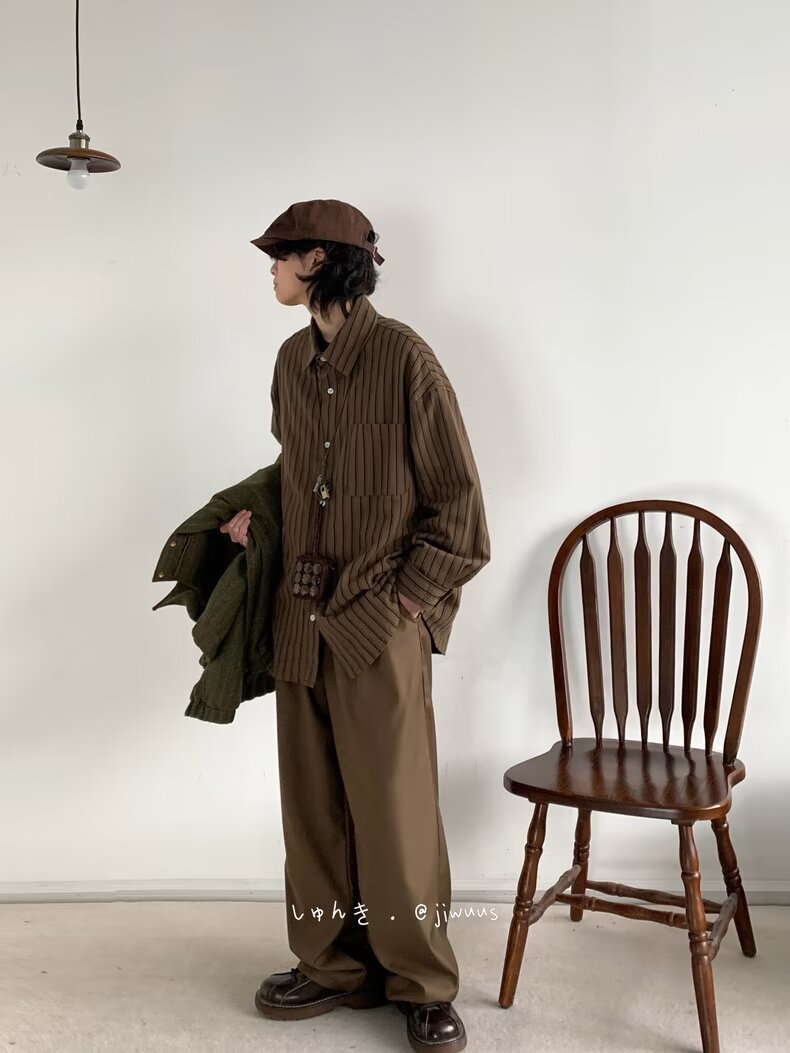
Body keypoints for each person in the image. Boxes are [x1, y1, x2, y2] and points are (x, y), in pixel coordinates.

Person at [223, 199, 490, 1053]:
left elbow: (460, 512)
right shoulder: (288, 362)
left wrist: (404, 604)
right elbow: (297, 470)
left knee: (395, 813)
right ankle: (333, 964)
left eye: (279, 256)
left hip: (380, 623)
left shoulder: (407, 359)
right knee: (313, 810)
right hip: (299, 617)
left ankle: (421, 982)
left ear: (317, 261)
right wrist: (259, 518)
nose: (270, 270)